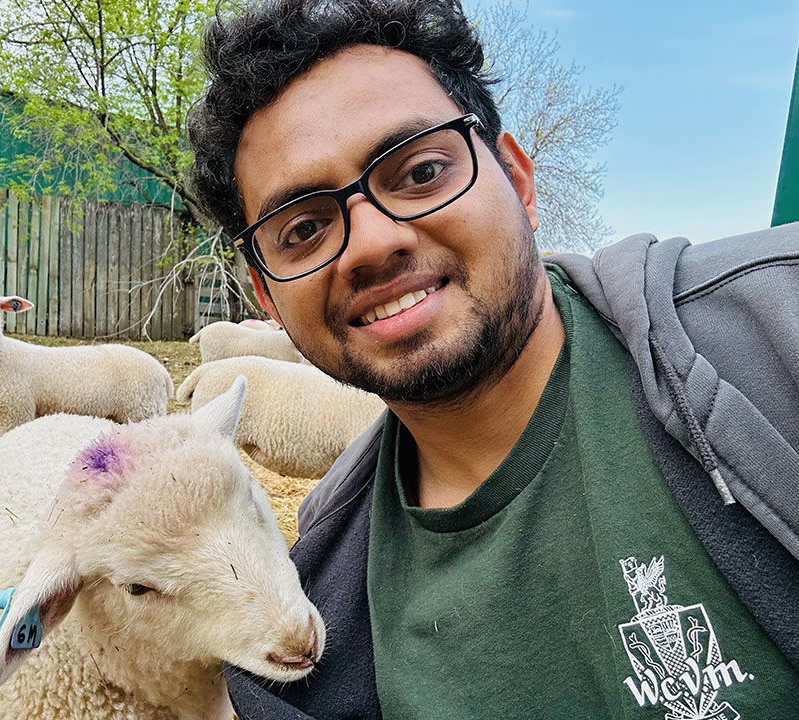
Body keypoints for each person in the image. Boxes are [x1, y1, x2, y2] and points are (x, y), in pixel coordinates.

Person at [186, 0, 799, 718]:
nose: (373, 241)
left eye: (419, 171)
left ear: (518, 178)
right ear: (266, 293)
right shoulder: (321, 585)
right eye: (305, 228)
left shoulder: (773, 329)